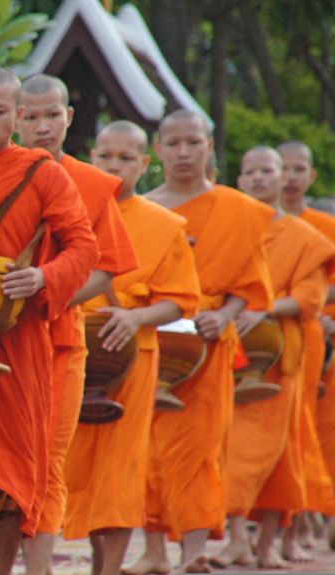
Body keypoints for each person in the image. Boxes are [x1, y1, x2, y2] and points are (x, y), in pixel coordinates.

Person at [0, 66, 99, 575]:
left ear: (18, 116)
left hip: (19, 340)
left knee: (14, 467)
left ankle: (4, 569)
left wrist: (42, 278)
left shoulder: (42, 172)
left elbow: (83, 246)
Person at [123, 111, 274, 575]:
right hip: (150, 341)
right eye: (174, 143)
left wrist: (225, 316)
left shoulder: (238, 210)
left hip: (207, 346)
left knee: (200, 449)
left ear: (210, 145)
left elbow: (251, 287)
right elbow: (125, 281)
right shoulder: (142, 209)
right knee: (145, 448)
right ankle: (151, 551)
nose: (184, 153)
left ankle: (193, 551)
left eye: (194, 142)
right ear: (159, 149)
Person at [62, 121, 201, 575]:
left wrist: (135, 317)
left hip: (132, 359)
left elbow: (182, 299)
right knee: (68, 465)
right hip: (67, 347)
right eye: (106, 157)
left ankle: (108, 568)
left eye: (126, 159)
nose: (115, 167)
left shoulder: (163, 224)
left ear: (145, 163)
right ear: (91, 159)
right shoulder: (69, 208)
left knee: (119, 469)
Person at [17, 75, 139, 575]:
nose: (42, 126)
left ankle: (39, 567)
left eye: (52, 115)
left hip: (58, 337)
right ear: (14, 118)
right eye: (31, 116)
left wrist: (50, 294)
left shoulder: (89, 183)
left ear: (69, 118)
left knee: (47, 458)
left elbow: (108, 265)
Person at [215, 146, 335, 569]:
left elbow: (310, 299)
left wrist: (261, 308)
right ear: (241, 180)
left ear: (283, 176)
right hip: (232, 353)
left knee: (277, 453)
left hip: (283, 358)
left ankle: (265, 543)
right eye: (251, 172)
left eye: (268, 170)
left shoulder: (308, 239)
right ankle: (236, 540)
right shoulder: (229, 228)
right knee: (230, 450)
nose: (261, 178)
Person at [278, 140, 335, 557]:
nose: (292, 177)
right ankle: (293, 523)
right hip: (275, 335)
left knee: (325, 432)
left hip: (324, 336)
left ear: (311, 175)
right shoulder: (260, 223)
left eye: (300, 169)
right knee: (294, 430)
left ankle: (325, 513)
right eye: (285, 168)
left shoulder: (325, 225)